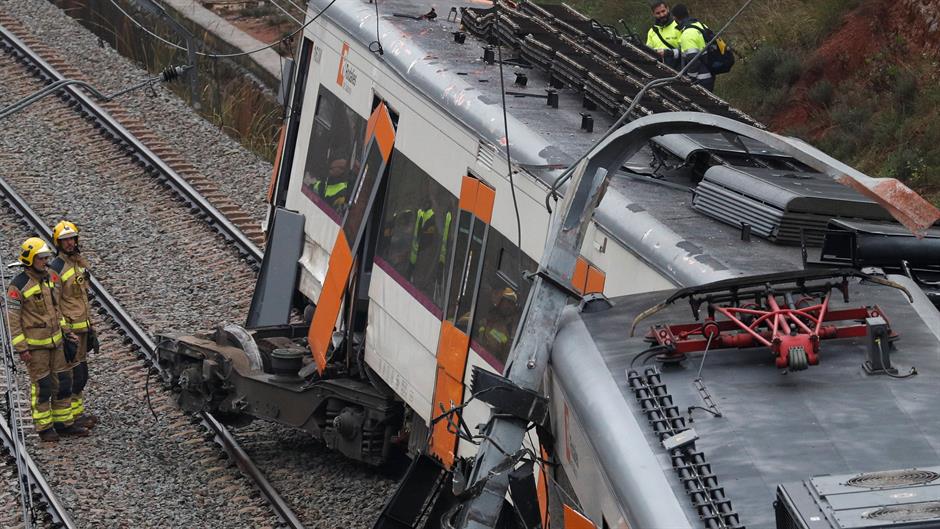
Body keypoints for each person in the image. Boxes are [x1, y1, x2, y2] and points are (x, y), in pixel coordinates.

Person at [7, 237, 89, 441]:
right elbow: (13, 321)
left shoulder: (48, 279)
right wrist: (22, 348)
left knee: (63, 382)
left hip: (57, 342)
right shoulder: (18, 286)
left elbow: (56, 310)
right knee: (43, 386)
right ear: (30, 260)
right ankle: (44, 428)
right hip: (36, 348)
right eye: (41, 258)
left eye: (46, 258)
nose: (45, 262)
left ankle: (64, 423)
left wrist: (66, 331)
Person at [49, 221, 98, 429]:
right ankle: (64, 421)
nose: (69, 243)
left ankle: (77, 415)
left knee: (81, 375)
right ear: (58, 243)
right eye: (65, 240)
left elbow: (81, 298)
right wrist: (65, 330)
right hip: (71, 331)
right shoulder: (56, 269)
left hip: (82, 328)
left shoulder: (77, 263)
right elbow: (54, 304)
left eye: (72, 239)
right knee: (71, 376)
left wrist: (89, 326)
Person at [659, 4, 715, 91]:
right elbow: (688, 51)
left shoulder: (687, 33)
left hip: (700, 80)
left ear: (674, 18)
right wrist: (668, 53)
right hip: (708, 76)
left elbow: (693, 60)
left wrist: (689, 79)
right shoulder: (699, 25)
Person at [475, 287, 519, 360]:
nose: (509, 307)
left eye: (512, 304)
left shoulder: (509, 331)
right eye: (508, 302)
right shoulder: (485, 314)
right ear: (500, 301)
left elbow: (505, 357)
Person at [645, 2, 681, 70]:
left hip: (678, 70)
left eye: (663, 11)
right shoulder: (652, 31)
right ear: (653, 14)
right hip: (658, 71)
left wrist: (668, 53)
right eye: (658, 13)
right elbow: (648, 52)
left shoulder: (678, 26)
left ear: (668, 9)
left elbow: (686, 51)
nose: (661, 15)